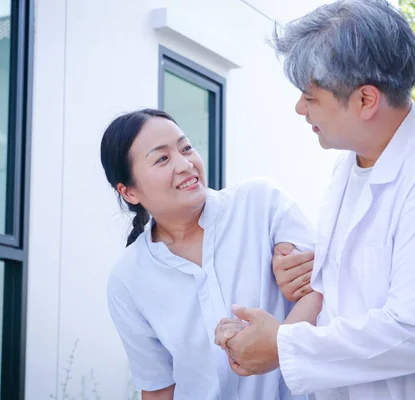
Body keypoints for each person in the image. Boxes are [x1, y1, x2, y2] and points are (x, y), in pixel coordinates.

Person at [214, 0, 415, 399]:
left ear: (366, 100)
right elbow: (329, 293)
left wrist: (281, 346)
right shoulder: (350, 168)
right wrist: (266, 336)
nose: (299, 108)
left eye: (310, 96)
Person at [100, 108, 322, 400]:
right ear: (129, 192)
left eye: (186, 148)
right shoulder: (128, 279)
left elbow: (325, 287)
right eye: (162, 158)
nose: (185, 164)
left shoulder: (261, 203)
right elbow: (158, 389)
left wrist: (278, 346)